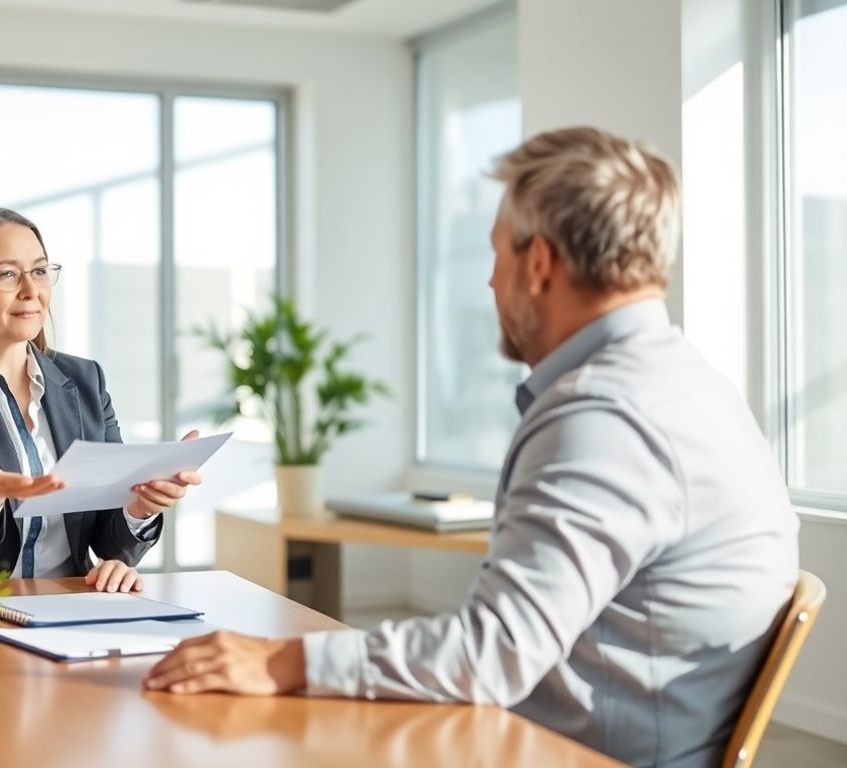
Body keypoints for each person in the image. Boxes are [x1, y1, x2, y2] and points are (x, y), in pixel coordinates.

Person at [145, 127, 800, 768]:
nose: (490, 283)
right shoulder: (689, 384)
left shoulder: (605, 413)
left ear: (538, 262)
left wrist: (283, 659)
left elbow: (494, 652)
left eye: (497, 254)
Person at [0, 208, 201, 593]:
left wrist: (141, 507)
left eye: (40, 271)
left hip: (66, 605)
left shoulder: (85, 381)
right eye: (8, 274)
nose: (32, 291)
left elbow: (108, 540)